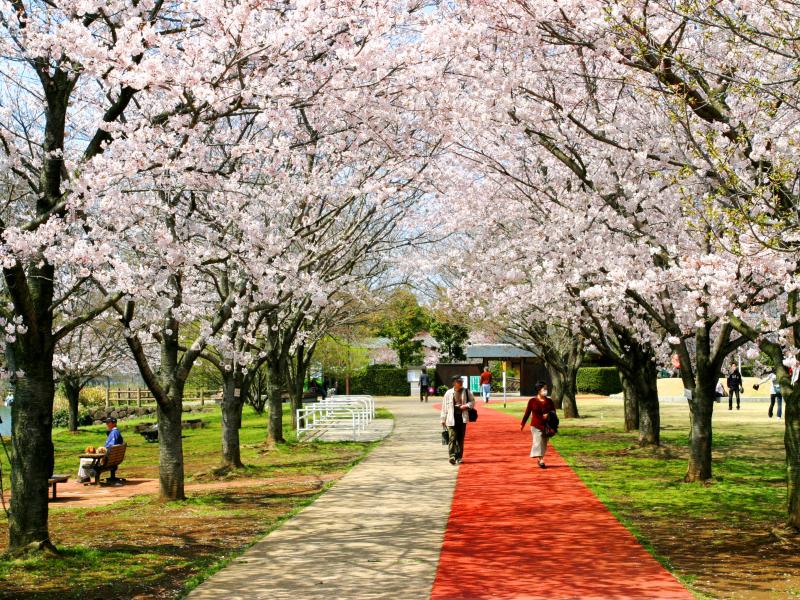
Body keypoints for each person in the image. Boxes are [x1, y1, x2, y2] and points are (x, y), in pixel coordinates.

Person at [520, 381, 556, 469]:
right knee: (538, 441)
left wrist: (548, 415)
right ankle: (541, 460)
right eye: (544, 389)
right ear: (539, 390)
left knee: (543, 443)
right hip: (535, 425)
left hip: (546, 426)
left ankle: (540, 458)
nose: (546, 390)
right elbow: (527, 412)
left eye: (546, 389)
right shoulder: (532, 401)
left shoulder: (549, 401)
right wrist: (523, 423)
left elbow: (554, 412)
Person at [440, 375, 475, 465]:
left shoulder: (466, 391)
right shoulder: (448, 393)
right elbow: (444, 407)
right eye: (459, 381)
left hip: (462, 418)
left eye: (461, 381)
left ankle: (459, 457)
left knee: (460, 439)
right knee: (452, 438)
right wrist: (442, 419)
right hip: (451, 418)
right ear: (454, 383)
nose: (461, 383)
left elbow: (472, 401)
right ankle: (452, 456)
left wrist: (466, 406)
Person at [77, 417, 124, 483]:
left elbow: (110, 447)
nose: (106, 424)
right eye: (106, 423)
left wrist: (98, 451)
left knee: (83, 459)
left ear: (112, 423)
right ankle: (85, 477)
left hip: (105, 460)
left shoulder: (114, 433)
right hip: (112, 459)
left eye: (107, 423)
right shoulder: (116, 432)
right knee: (85, 458)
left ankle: (85, 477)